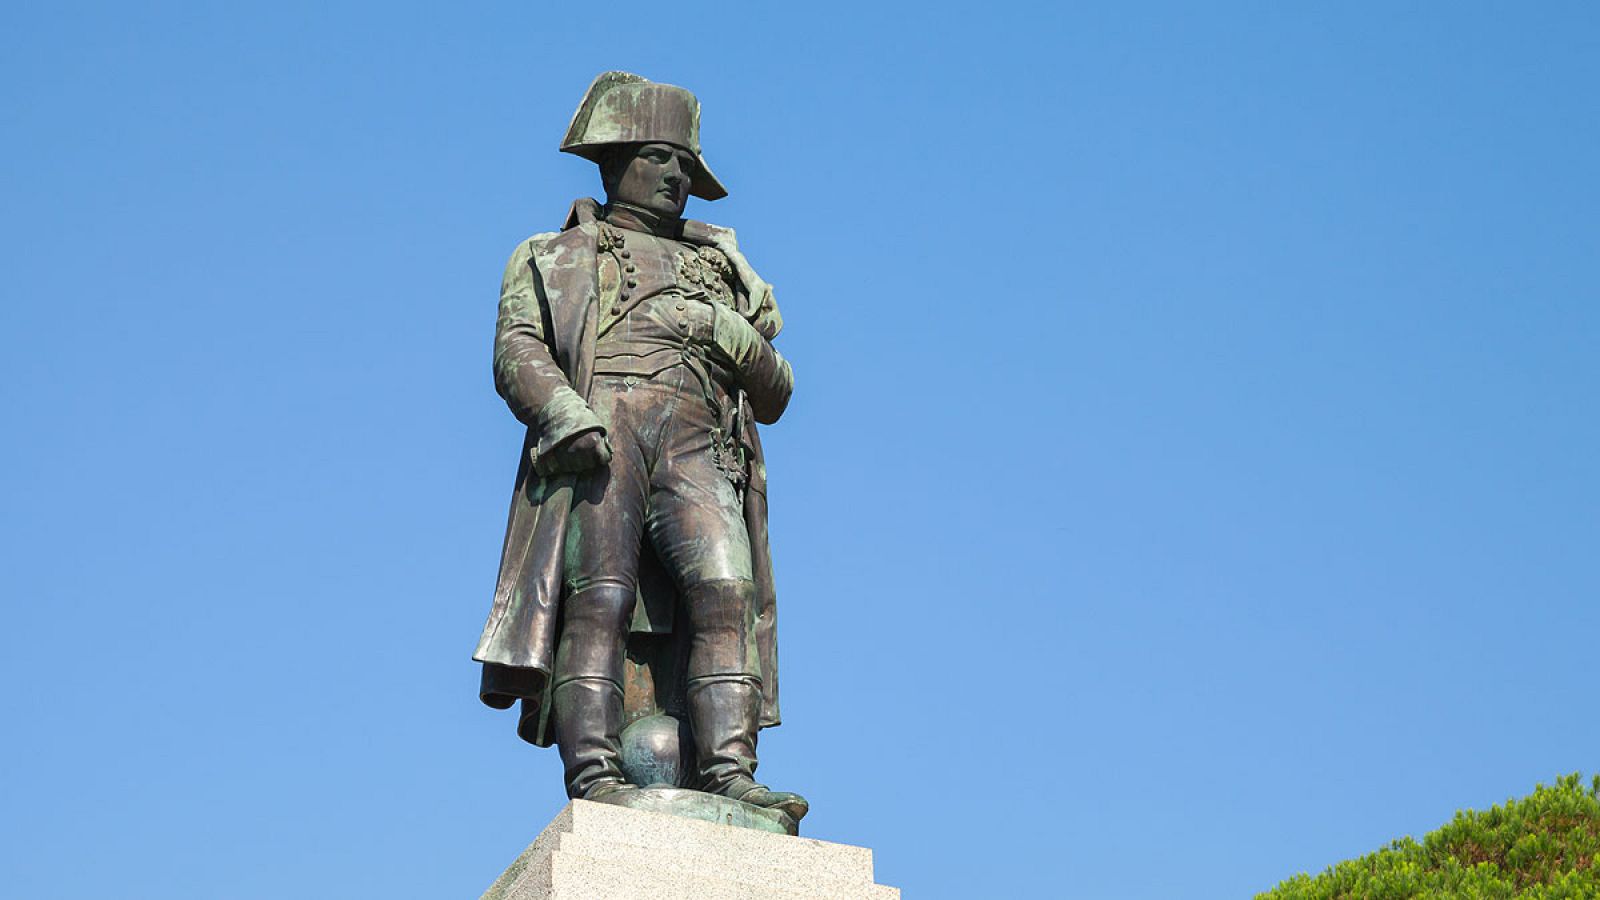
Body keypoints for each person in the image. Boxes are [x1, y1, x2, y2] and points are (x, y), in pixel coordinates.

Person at [471, 72, 806, 824]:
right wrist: (563, 410)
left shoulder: (726, 274)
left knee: (729, 591)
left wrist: (732, 334)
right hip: (604, 425)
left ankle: (730, 772)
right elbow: (517, 348)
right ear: (615, 161)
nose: (677, 176)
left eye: (686, 165)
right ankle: (593, 772)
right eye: (662, 158)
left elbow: (779, 392)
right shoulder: (552, 255)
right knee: (601, 599)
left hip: (699, 443)